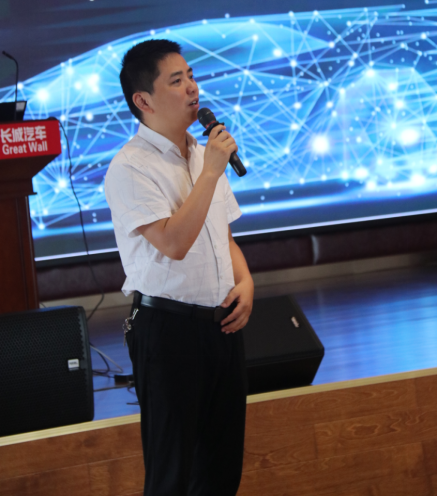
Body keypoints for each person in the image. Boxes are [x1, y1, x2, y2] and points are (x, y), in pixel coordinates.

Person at [105, 39, 254, 496]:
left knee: (221, 471)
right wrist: (210, 172)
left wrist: (246, 280)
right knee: (171, 474)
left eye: (190, 76)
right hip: (168, 330)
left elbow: (223, 236)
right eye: (176, 80)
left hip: (221, 326)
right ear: (143, 100)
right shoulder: (130, 167)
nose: (192, 87)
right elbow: (173, 242)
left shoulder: (203, 153)